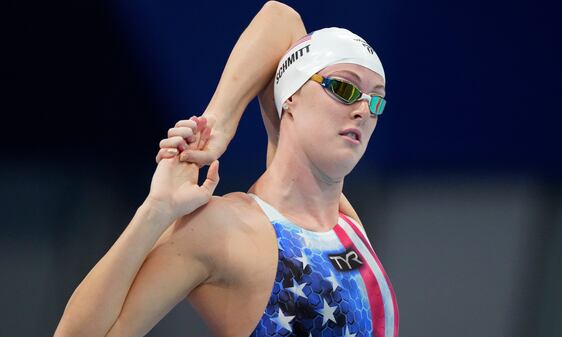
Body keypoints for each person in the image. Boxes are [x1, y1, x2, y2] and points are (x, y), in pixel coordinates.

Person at [54, 2, 398, 337]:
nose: (363, 110)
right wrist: (157, 209)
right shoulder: (224, 229)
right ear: (290, 97)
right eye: (344, 88)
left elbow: (285, 28)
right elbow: (280, 18)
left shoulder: (345, 224)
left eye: (376, 99)